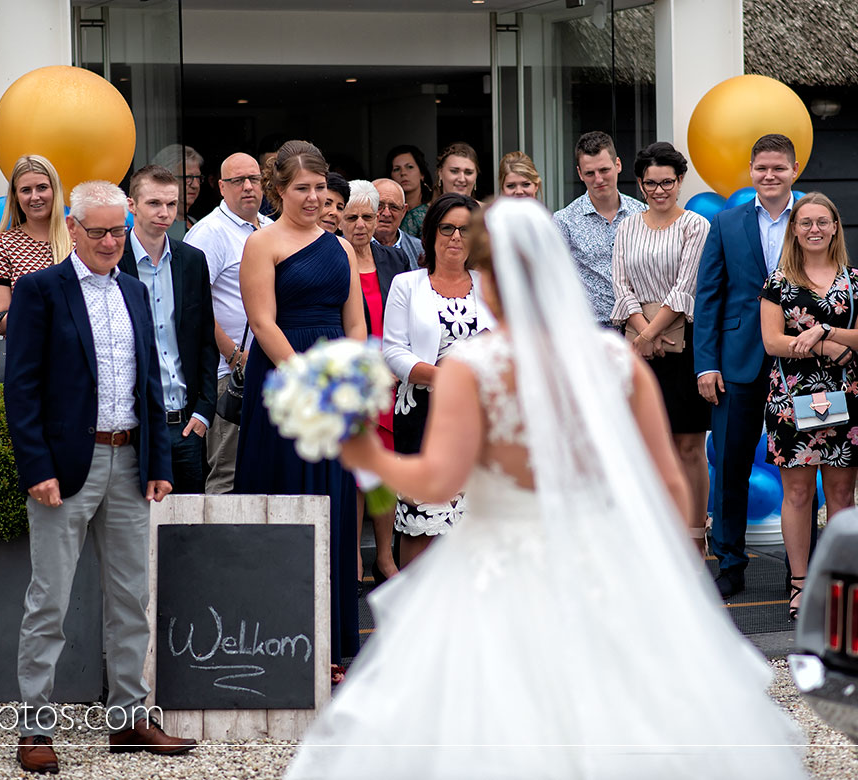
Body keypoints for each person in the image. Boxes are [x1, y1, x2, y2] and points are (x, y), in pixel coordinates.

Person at [285, 198, 805, 780]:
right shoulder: (614, 358)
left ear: (489, 275)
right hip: (601, 558)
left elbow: (438, 480)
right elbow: (671, 486)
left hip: (494, 568)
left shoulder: (472, 366)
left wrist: (364, 452)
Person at [6, 180, 192, 773]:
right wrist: (36, 467)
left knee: (132, 599)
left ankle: (129, 720)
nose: (112, 240)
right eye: (99, 231)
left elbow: (151, 383)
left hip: (132, 461)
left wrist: (159, 463)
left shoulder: (135, 291)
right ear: (74, 227)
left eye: (119, 229)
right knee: (50, 600)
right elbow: (22, 387)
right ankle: (35, 729)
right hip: (65, 469)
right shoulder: (39, 290)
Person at [233, 141, 367, 680]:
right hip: (285, 386)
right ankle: (273, 639)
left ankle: (329, 647)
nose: (314, 198)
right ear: (278, 190)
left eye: (319, 188)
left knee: (331, 504)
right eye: (301, 188)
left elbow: (355, 324)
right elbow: (263, 324)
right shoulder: (261, 244)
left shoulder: (338, 246)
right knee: (286, 497)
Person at [694, 133, 800, 599]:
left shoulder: (814, 219)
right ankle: (731, 564)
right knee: (732, 465)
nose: (770, 175)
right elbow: (709, 296)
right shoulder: (728, 222)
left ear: (794, 170)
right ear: (751, 171)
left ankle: (801, 569)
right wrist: (706, 365)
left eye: (779, 168)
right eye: (762, 168)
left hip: (803, 361)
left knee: (802, 464)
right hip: (737, 362)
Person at [759, 193, 858, 621]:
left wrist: (824, 329)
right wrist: (825, 345)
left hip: (845, 398)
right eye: (805, 222)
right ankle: (800, 584)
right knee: (800, 492)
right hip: (793, 399)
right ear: (794, 229)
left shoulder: (855, 279)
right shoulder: (778, 281)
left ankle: (842, 581)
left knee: (842, 494)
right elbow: (772, 342)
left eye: (822, 222)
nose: (813, 229)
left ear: (834, 227)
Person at [382, 193, 495, 567]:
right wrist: (447, 378)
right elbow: (394, 352)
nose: (456, 237)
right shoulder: (407, 285)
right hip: (424, 412)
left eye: (465, 229)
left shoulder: (489, 286)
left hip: (481, 415)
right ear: (431, 234)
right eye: (447, 228)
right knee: (421, 519)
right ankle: (417, 613)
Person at [610, 142, 710, 553]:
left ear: (680, 180)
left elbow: (685, 288)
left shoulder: (695, 226)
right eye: (650, 183)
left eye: (667, 181)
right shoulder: (627, 226)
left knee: (688, 445)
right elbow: (620, 284)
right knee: (649, 445)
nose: (659, 189)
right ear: (639, 184)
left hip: (682, 347)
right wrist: (640, 334)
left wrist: (649, 335)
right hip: (637, 347)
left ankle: (694, 536)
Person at [118, 165, 217, 494]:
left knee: (190, 531)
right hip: (135, 425)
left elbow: (204, 338)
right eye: (154, 203)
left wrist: (204, 409)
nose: (165, 213)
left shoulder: (192, 261)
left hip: (186, 423)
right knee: (134, 528)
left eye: (171, 204)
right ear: (132, 206)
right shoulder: (114, 263)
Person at [184, 152, 273, 494]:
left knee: (265, 473)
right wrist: (235, 356)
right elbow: (194, 308)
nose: (248, 187)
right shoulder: (210, 233)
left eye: (254, 179)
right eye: (238, 181)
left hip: (270, 370)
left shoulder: (270, 228)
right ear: (221, 187)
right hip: (230, 376)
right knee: (228, 475)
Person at [342, 180, 409, 583]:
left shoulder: (394, 260)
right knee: (354, 476)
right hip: (351, 382)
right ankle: (353, 559)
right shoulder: (332, 257)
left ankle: (384, 556)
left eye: (368, 216)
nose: (362, 224)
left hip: (391, 382)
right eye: (352, 217)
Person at [552, 131, 646, 326]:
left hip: (642, 328)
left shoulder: (643, 214)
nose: (598, 179)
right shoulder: (564, 221)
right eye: (590, 173)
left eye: (604, 170)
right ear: (579, 173)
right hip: (590, 331)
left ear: (618, 164)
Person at [0, 154, 70, 335]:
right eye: (26, 190)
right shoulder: (4, 244)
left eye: (42, 188)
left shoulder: (79, 238)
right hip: (31, 354)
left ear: (55, 190)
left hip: (79, 353)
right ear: (15, 196)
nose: (35, 197)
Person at [151, 143, 204, 239]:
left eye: (198, 177)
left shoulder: (195, 223)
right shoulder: (159, 224)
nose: (195, 185)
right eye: (188, 178)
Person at [371, 178, 422, 270]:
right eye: (379, 205)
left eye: (394, 207)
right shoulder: (346, 247)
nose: (386, 213)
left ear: (403, 211)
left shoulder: (420, 250)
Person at [387, 144, 433, 237]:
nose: (403, 173)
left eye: (410, 167)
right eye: (396, 169)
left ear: (422, 174)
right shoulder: (386, 212)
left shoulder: (432, 208)